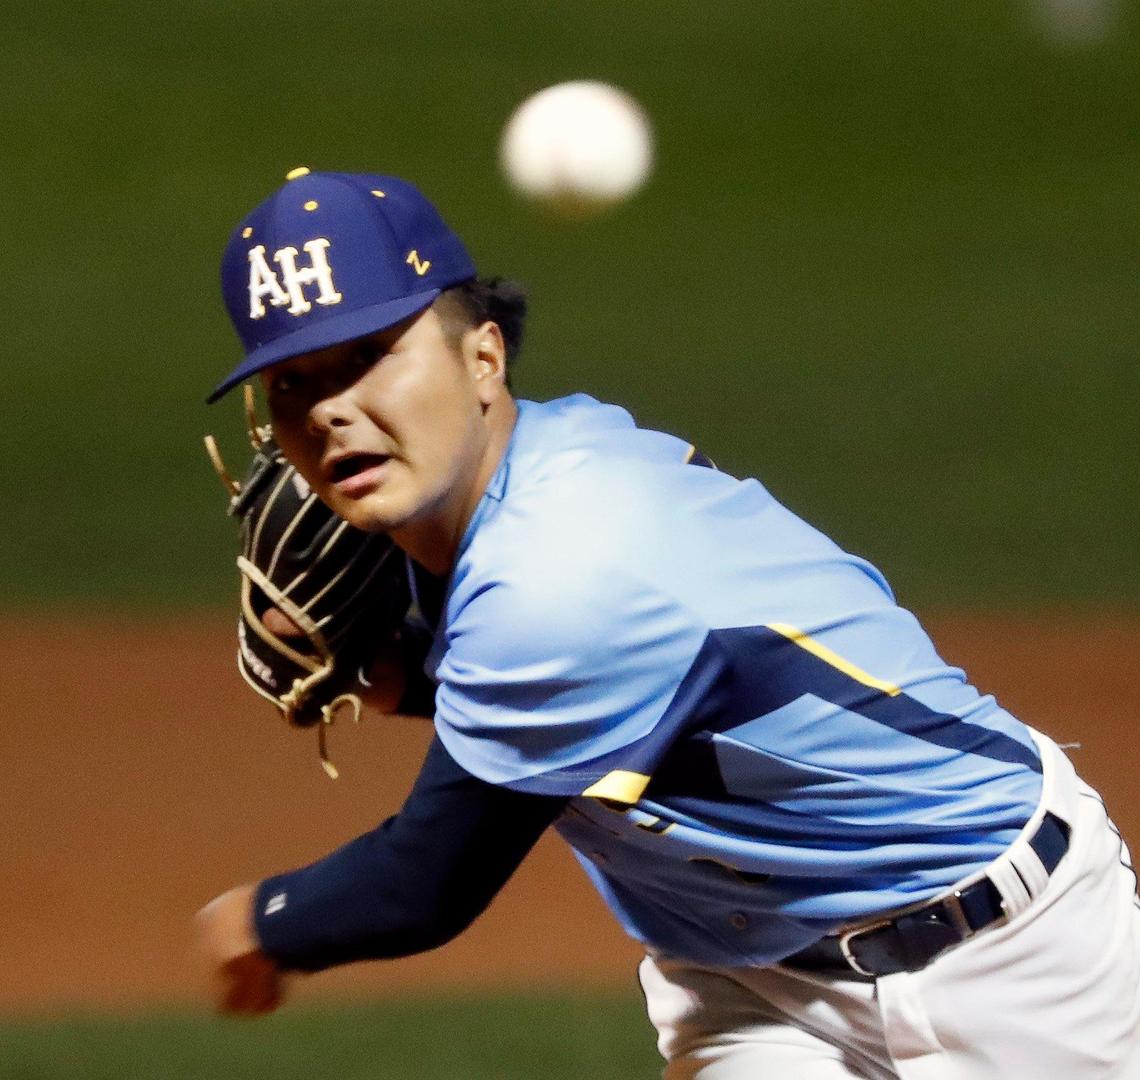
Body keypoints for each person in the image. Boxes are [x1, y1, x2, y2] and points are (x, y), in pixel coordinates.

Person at [195, 167, 1140, 1078]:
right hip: (755, 990)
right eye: (293, 386)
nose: (331, 413)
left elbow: (425, 885)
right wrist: (405, 675)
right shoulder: (514, 478)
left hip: (1014, 966)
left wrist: (263, 922)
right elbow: (627, 711)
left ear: (482, 354)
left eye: (369, 359)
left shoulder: (565, 567)